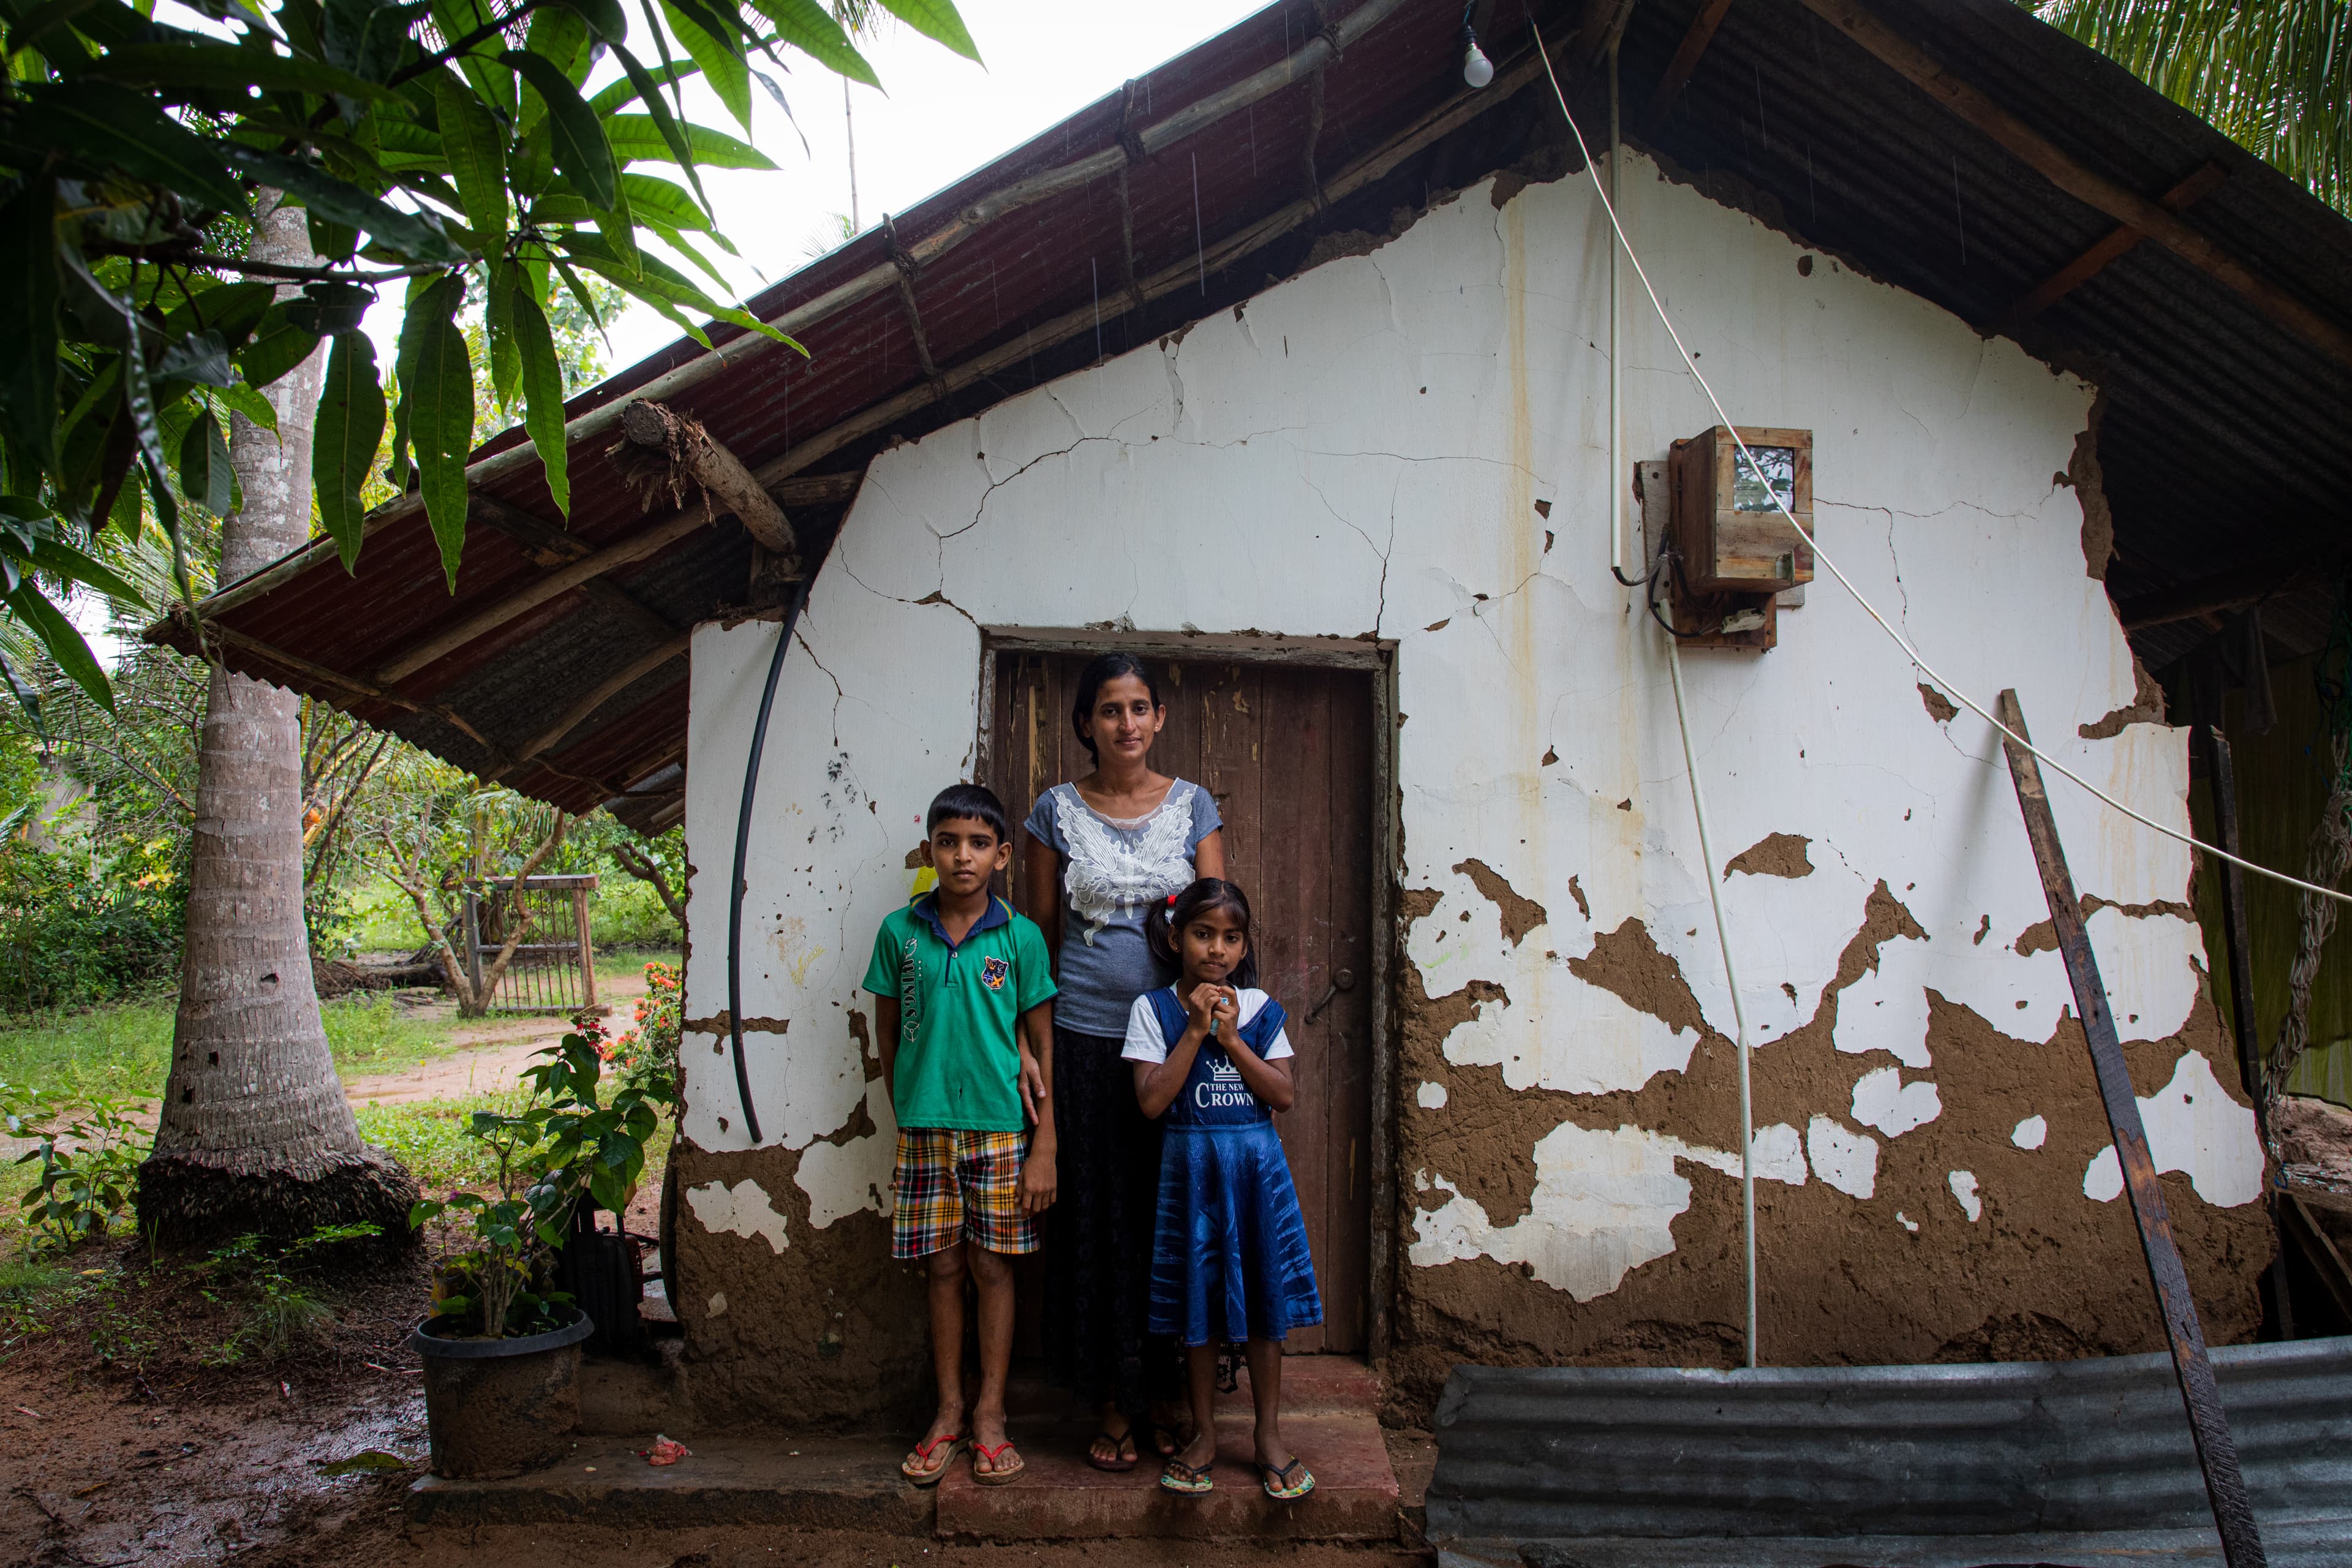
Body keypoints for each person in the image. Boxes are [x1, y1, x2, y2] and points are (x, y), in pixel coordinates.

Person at [1022, 652, 1225, 1472]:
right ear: (1086, 724)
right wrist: (1031, 1049)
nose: (1128, 723)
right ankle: (1111, 1401)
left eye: (1141, 708)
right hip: (1084, 1042)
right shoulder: (1054, 813)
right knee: (1099, 1223)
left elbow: (1217, 923)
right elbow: (1039, 940)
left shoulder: (1193, 806)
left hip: (1174, 1045)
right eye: (1111, 710)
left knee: (1169, 1218)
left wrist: (1212, 1027)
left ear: (1159, 719)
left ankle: (1171, 1395)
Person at [864, 783, 1058, 1489]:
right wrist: (908, 1104)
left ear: (1002, 855)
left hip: (1001, 1130)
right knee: (942, 1268)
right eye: (948, 842)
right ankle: (947, 1409)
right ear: (929, 850)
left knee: (992, 1268)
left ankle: (990, 1413)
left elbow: (1041, 1040)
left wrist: (1047, 1145)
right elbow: (887, 1034)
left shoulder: (1020, 937)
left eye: (978, 843)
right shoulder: (899, 934)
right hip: (924, 1130)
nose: (962, 856)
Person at [1125, 878, 1322, 1502]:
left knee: (1265, 1305)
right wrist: (1193, 1030)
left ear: (1243, 947)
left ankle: (1267, 1436)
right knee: (1198, 1306)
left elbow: (1283, 1096)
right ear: (1176, 937)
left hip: (1256, 1175)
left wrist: (1232, 1038)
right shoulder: (1152, 1010)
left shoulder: (1260, 1010)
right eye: (1203, 934)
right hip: (1193, 1177)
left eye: (1230, 938)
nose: (1216, 950)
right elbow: (1153, 1102)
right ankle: (1204, 1434)